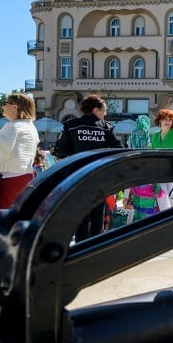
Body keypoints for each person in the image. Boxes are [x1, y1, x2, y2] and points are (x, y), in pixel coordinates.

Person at [53, 94, 122, 241]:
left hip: (77, 177)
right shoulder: (107, 128)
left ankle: (80, 250)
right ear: (96, 110)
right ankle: (94, 250)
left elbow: (60, 151)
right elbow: (119, 150)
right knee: (97, 217)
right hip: (99, 177)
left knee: (80, 218)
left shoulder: (72, 125)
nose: (106, 114)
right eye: (104, 110)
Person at [0, 93, 40, 217]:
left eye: (5, 103)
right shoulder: (30, 126)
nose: (2, 106)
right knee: (19, 216)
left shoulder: (12, 126)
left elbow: (1, 150)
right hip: (26, 175)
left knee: (2, 219)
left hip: (9, 178)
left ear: (14, 107)